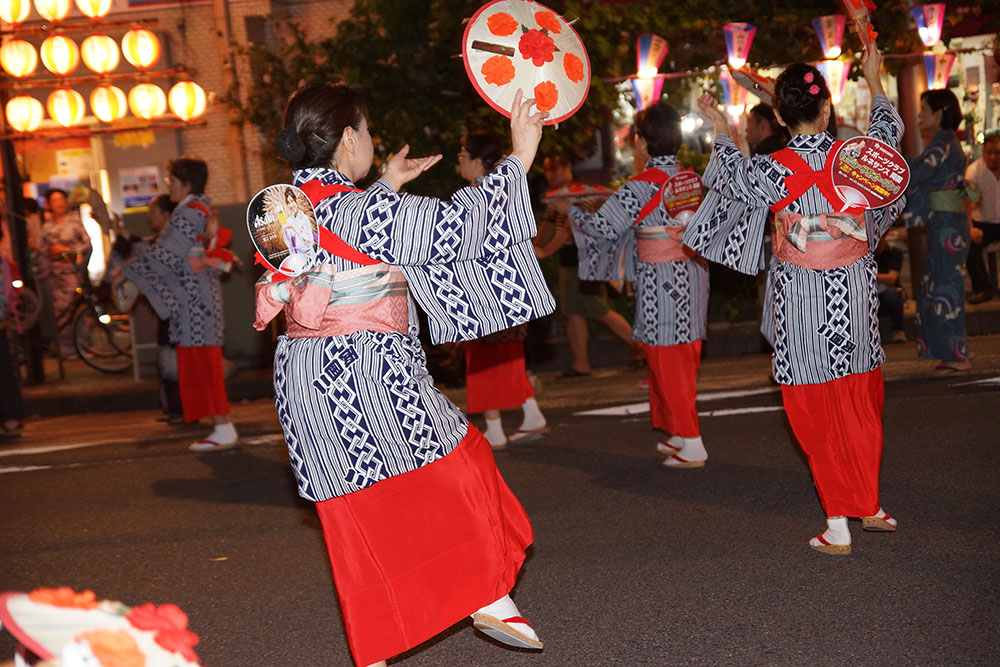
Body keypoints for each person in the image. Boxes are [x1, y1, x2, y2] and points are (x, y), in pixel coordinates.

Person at [258, 83, 552, 667]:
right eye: (366, 130)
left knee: (357, 517)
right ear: (347, 137)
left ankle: (381, 647)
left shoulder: (288, 204)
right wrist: (519, 156)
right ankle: (486, 593)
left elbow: (346, 238)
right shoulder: (360, 208)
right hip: (361, 370)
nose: (372, 140)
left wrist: (385, 183)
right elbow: (458, 228)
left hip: (304, 375)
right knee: (461, 463)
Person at [684, 43, 901, 555]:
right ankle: (868, 503)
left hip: (801, 292)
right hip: (853, 286)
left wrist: (718, 122)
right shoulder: (858, 158)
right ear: (827, 107)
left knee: (813, 405)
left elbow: (724, 173)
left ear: (779, 117)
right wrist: (873, 80)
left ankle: (839, 523)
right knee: (859, 397)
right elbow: (889, 134)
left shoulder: (771, 169)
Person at [565, 103, 710, 468]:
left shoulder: (639, 187)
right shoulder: (692, 179)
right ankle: (678, 431)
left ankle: (692, 442)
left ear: (644, 143)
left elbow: (602, 227)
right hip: (691, 275)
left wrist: (573, 211)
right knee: (679, 355)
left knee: (667, 358)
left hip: (660, 281)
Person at [124, 158, 238, 451]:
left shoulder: (188, 213)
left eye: (171, 180)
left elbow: (166, 256)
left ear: (186, 183)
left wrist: (130, 271)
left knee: (204, 365)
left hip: (195, 304)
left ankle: (223, 427)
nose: (168, 185)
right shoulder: (198, 210)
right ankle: (220, 426)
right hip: (197, 301)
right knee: (203, 365)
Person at [458, 130, 547, 448]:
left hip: (483, 292)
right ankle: (531, 412)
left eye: (463, 155)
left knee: (482, 363)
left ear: (479, 161)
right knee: (507, 358)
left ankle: (495, 427)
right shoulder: (505, 192)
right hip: (511, 288)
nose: (459, 161)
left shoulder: (473, 198)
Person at [534, 152, 641, 377]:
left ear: (566, 168)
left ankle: (642, 347)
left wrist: (542, 252)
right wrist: (534, 248)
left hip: (585, 260)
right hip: (569, 262)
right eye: (547, 170)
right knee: (573, 313)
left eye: (553, 169)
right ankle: (581, 363)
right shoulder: (559, 198)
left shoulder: (579, 194)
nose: (549, 175)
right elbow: (548, 226)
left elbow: (568, 229)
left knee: (599, 310)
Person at [903, 89, 971, 374]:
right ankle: (950, 353)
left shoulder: (942, 143)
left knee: (946, 289)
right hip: (945, 224)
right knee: (939, 286)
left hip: (947, 227)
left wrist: (885, 168)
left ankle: (958, 355)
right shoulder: (945, 142)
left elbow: (915, 173)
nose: (920, 116)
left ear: (939, 113)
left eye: (924, 110)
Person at [38, 188, 91, 358]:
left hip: (73, 274)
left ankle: (83, 347)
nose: (59, 203)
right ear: (49, 204)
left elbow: (87, 246)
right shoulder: (46, 227)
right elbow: (43, 252)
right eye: (54, 200)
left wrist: (69, 252)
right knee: (60, 312)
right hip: (55, 277)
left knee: (78, 310)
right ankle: (64, 349)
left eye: (61, 199)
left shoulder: (75, 221)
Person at [965, 133, 1000, 304]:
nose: (993, 157)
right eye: (989, 152)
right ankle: (983, 288)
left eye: (997, 153)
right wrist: (970, 227)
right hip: (983, 223)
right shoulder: (974, 171)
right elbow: (965, 202)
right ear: (983, 152)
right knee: (969, 243)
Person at [875, 237, 907, 343]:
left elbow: (892, 278)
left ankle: (898, 330)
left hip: (887, 294)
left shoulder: (894, 253)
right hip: (871, 294)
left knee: (893, 295)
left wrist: (872, 275)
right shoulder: (865, 255)